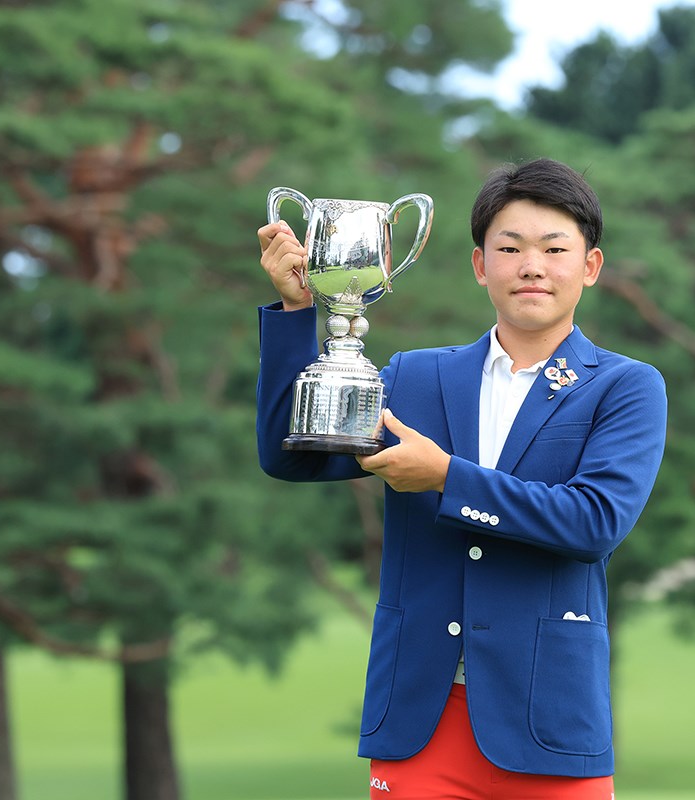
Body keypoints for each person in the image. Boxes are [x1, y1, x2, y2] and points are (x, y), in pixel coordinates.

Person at [255, 158, 666, 799]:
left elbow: (593, 523)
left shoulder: (624, 386)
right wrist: (294, 310)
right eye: (511, 248)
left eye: (555, 248)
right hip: (421, 716)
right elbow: (294, 454)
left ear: (590, 266)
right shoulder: (417, 376)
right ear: (481, 265)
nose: (532, 265)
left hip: (548, 721)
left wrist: (447, 477)